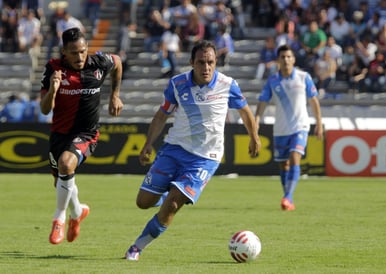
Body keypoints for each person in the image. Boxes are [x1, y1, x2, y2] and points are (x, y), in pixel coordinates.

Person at [124, 40, 261, 261]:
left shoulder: (228, 84)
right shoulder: (177, 84)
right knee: (143, 202)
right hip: (174, 149)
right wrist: (148, 143)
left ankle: (137, 247)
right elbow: (161, 115)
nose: (206, 67)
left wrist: (254, 137)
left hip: (205, 158)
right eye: (201, 62)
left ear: (216, 62)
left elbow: (245, 111)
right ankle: (167, 195)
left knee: (173, 205)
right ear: (191, 63)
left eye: (210, 62)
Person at [39, 27, 123, 245]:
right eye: (74, 53)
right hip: (59, 135)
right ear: (64, 52)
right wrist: (53, 90)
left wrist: (115, 95)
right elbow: (45, 109)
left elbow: (118, 62)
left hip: (86, 133)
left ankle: (59, 218)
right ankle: (78, 212)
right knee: (61, 181)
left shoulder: (98, 63)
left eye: (83, 51)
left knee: (66, 165)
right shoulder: (53, 68)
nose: (80, 57)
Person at [254, 44, 323, 211]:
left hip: (300, 126)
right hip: (281, 129)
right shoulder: (272, 81)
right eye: (282, 57)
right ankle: (288, 200)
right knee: (283, 165)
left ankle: (287, 197)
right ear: (278, 60)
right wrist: (256, 120)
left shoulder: (303, 77)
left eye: (288, 57)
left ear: (293, 59)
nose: (286, 60)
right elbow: (263, 101)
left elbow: (313, 101)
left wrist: (319, 123)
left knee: (294, 158)